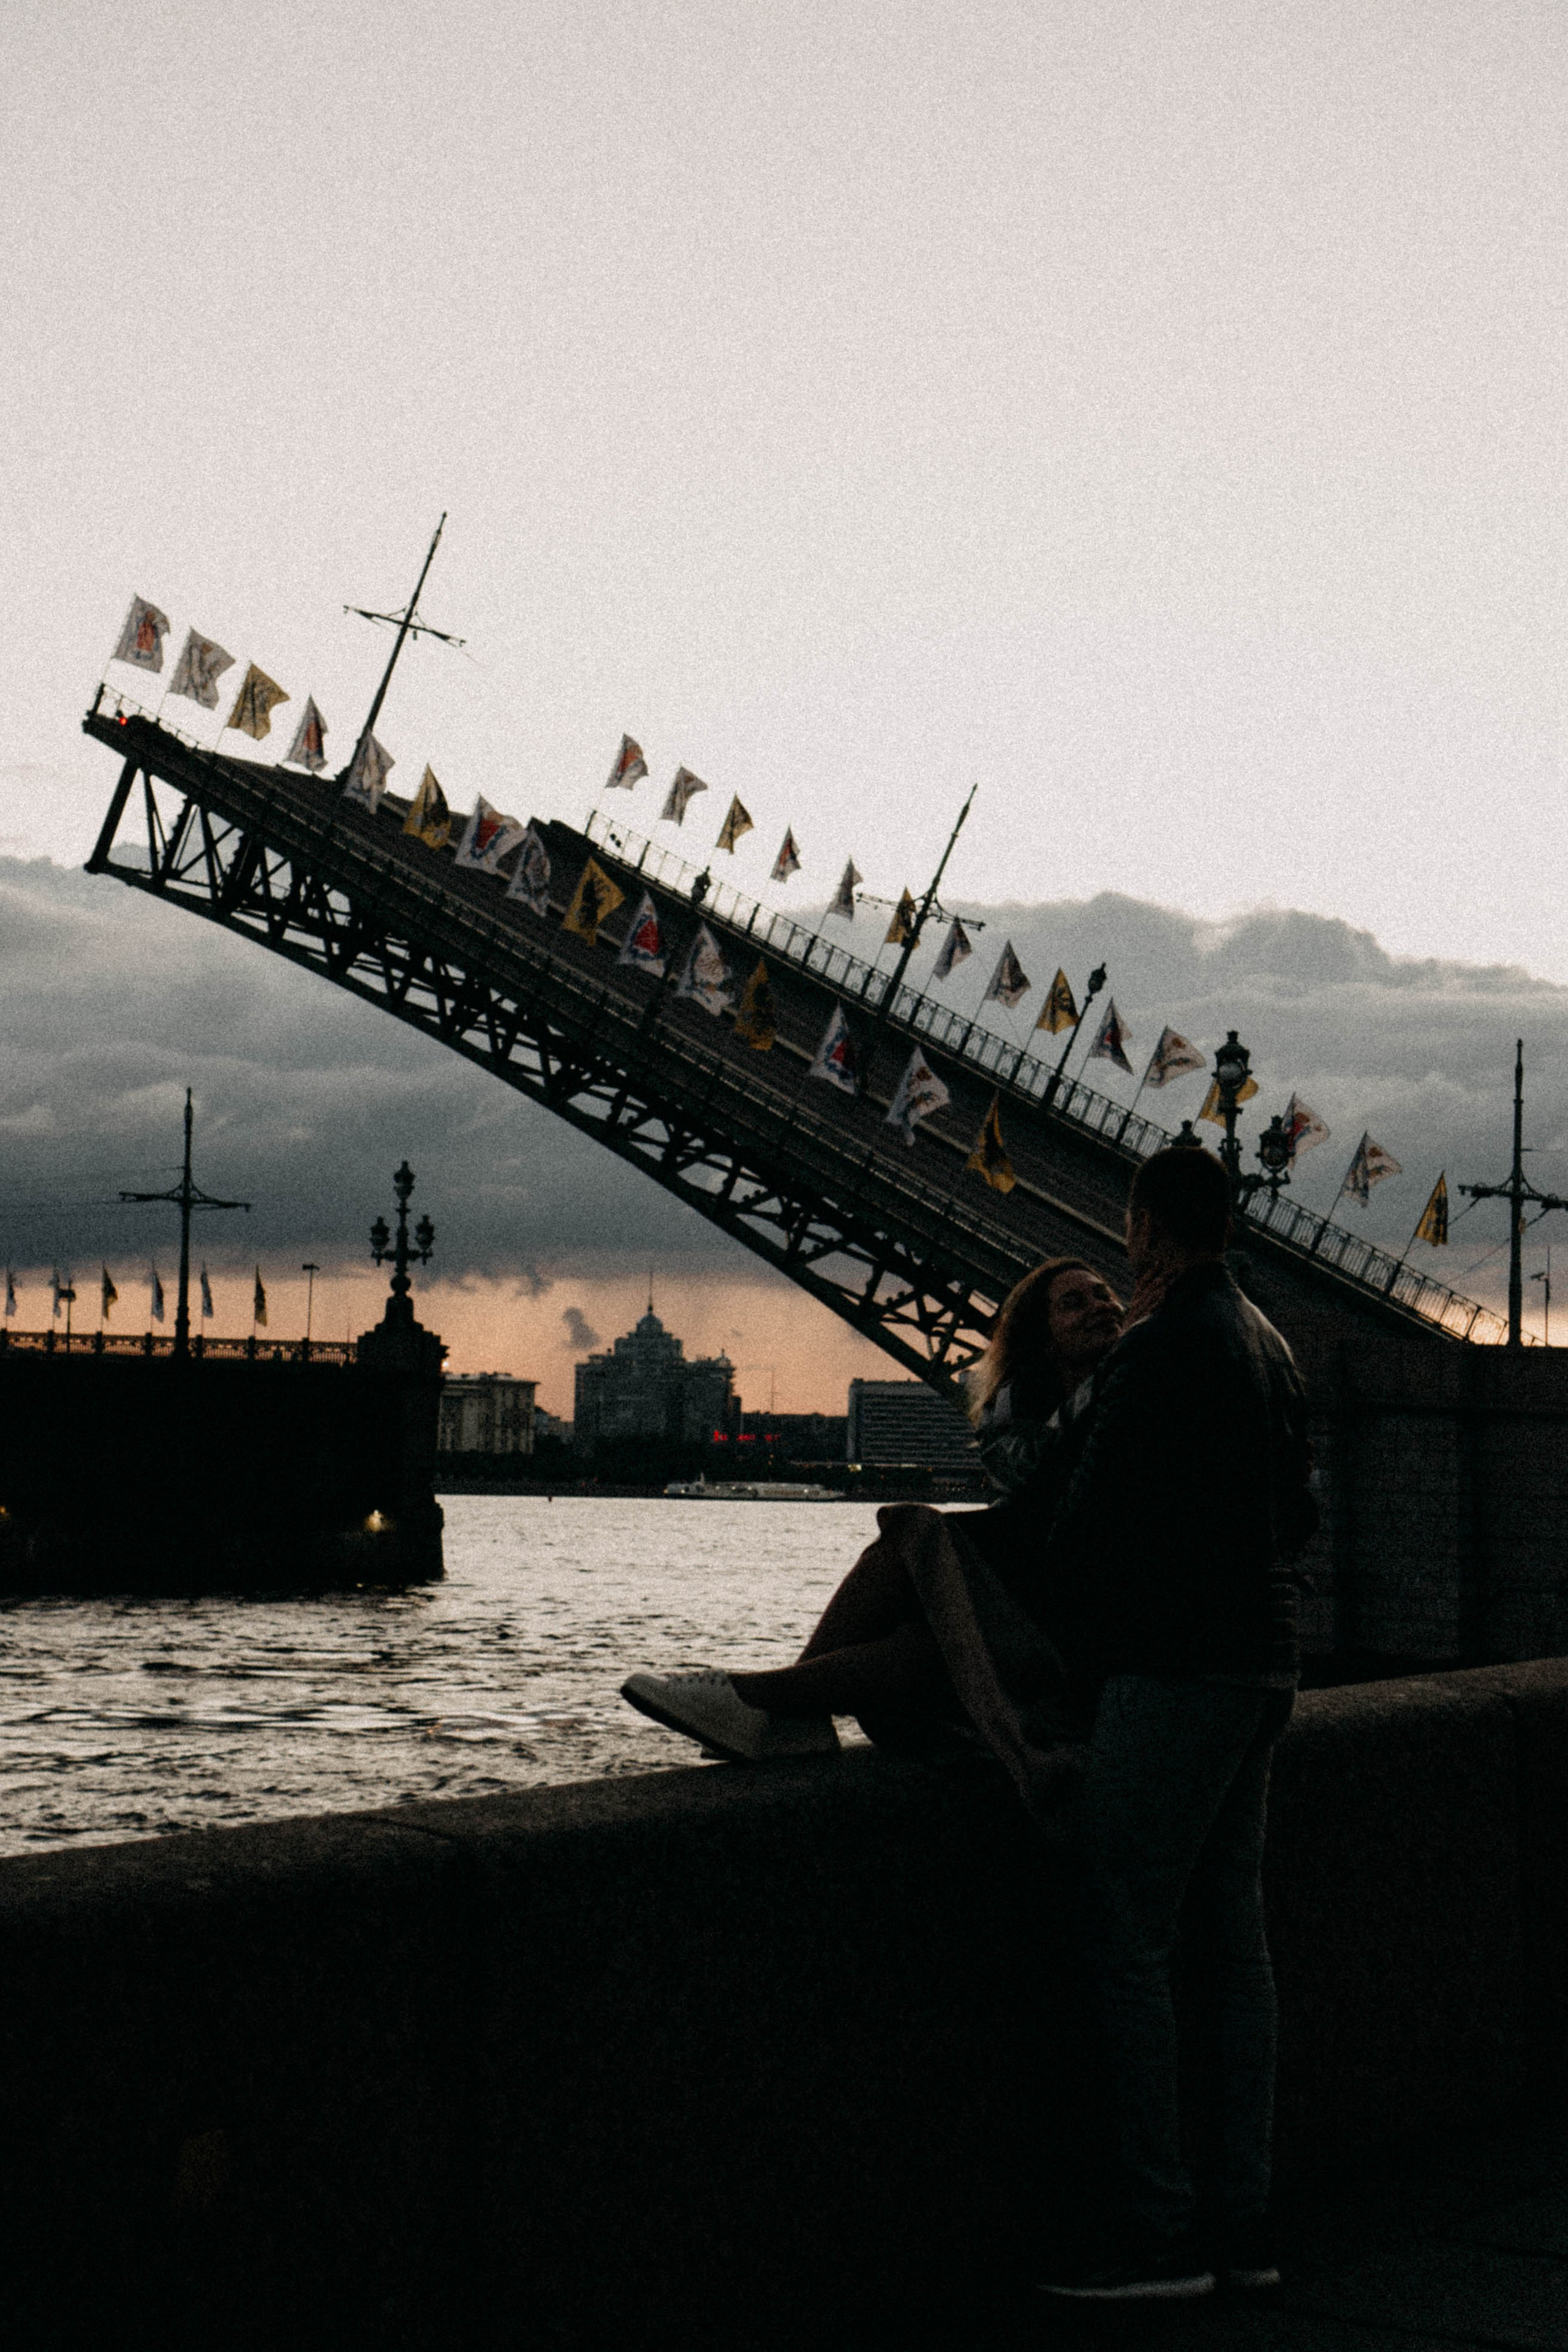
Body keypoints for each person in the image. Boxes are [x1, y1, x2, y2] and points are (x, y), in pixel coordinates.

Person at [1023, 1146, 1316, 2307]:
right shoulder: (1271, 1342)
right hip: (1264, 1660)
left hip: (1175, 1663)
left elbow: (1083, 1525)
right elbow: (1302, 1516)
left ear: (1144, 1225)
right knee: (1235, 1949)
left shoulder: (1158, 1346)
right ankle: (1245, 2224)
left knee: (1127, 1936)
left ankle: (1157, 2234)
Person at [618, 1257, 1123, 1762]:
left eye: (1103, 1294)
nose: (1099, 1307)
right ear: (1042, 1340)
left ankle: (761, 1704)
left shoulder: (1128, 1397)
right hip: (1048, 1630)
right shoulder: (1034, 1417)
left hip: (1082, 1646)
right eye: (1074, 1303)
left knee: (915, 1547)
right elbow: (1033, 1488)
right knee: (921, 1634)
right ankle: (777, 1712)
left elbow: (1045, 1519)